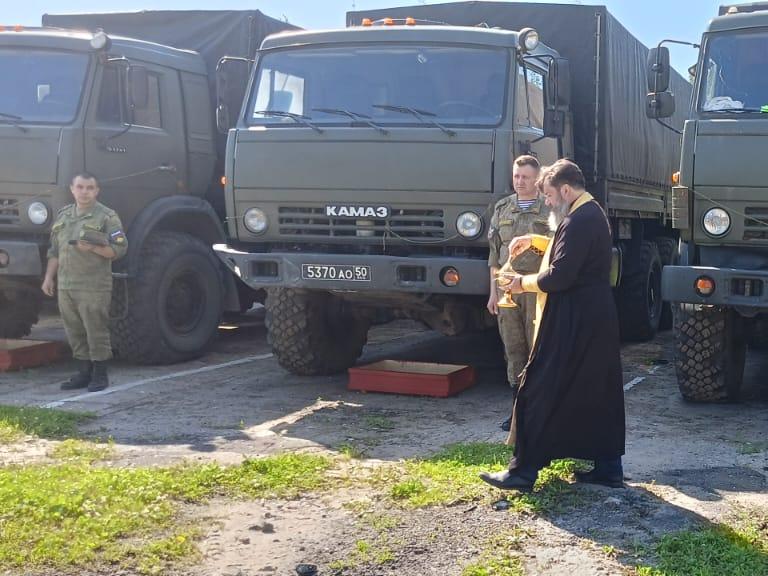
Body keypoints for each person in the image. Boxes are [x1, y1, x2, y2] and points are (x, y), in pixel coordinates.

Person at [479, 159, 625, 491]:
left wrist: (520, 283)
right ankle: (608, 467)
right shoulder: (589, 213)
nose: (546, 201)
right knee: (595, 390)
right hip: (593, 319)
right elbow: (570, 254)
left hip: (573, 319)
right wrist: (536, 241)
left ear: (565, 190)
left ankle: (523, 471)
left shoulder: (578, 221)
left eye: (548, 195)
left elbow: (560, 275)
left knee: (536, 386)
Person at [41, 173, 127, 392]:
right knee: (74, 330)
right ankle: (83, 372)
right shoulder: (63, 216)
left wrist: (95, 249)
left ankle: (100, 374)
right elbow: (54, 251)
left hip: (93, 285)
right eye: (80, 187)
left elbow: (119, 249)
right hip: (66, 285)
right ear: (72, 189)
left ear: (97, 191)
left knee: (95, 329)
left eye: (90, 188)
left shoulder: (106, 217)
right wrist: (49, 277)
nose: (84, 192)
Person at [486, 155, 550, 430]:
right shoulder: (502, 209)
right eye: (516, 176)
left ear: (537, 179)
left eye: (525, 177)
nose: (519, 181)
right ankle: (516, 412)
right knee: (513, 350)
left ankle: (541, 410)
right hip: (507, 293)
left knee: (539, 349)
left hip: (536, 290)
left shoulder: (548, 209)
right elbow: (494, 256)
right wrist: (493, 293)